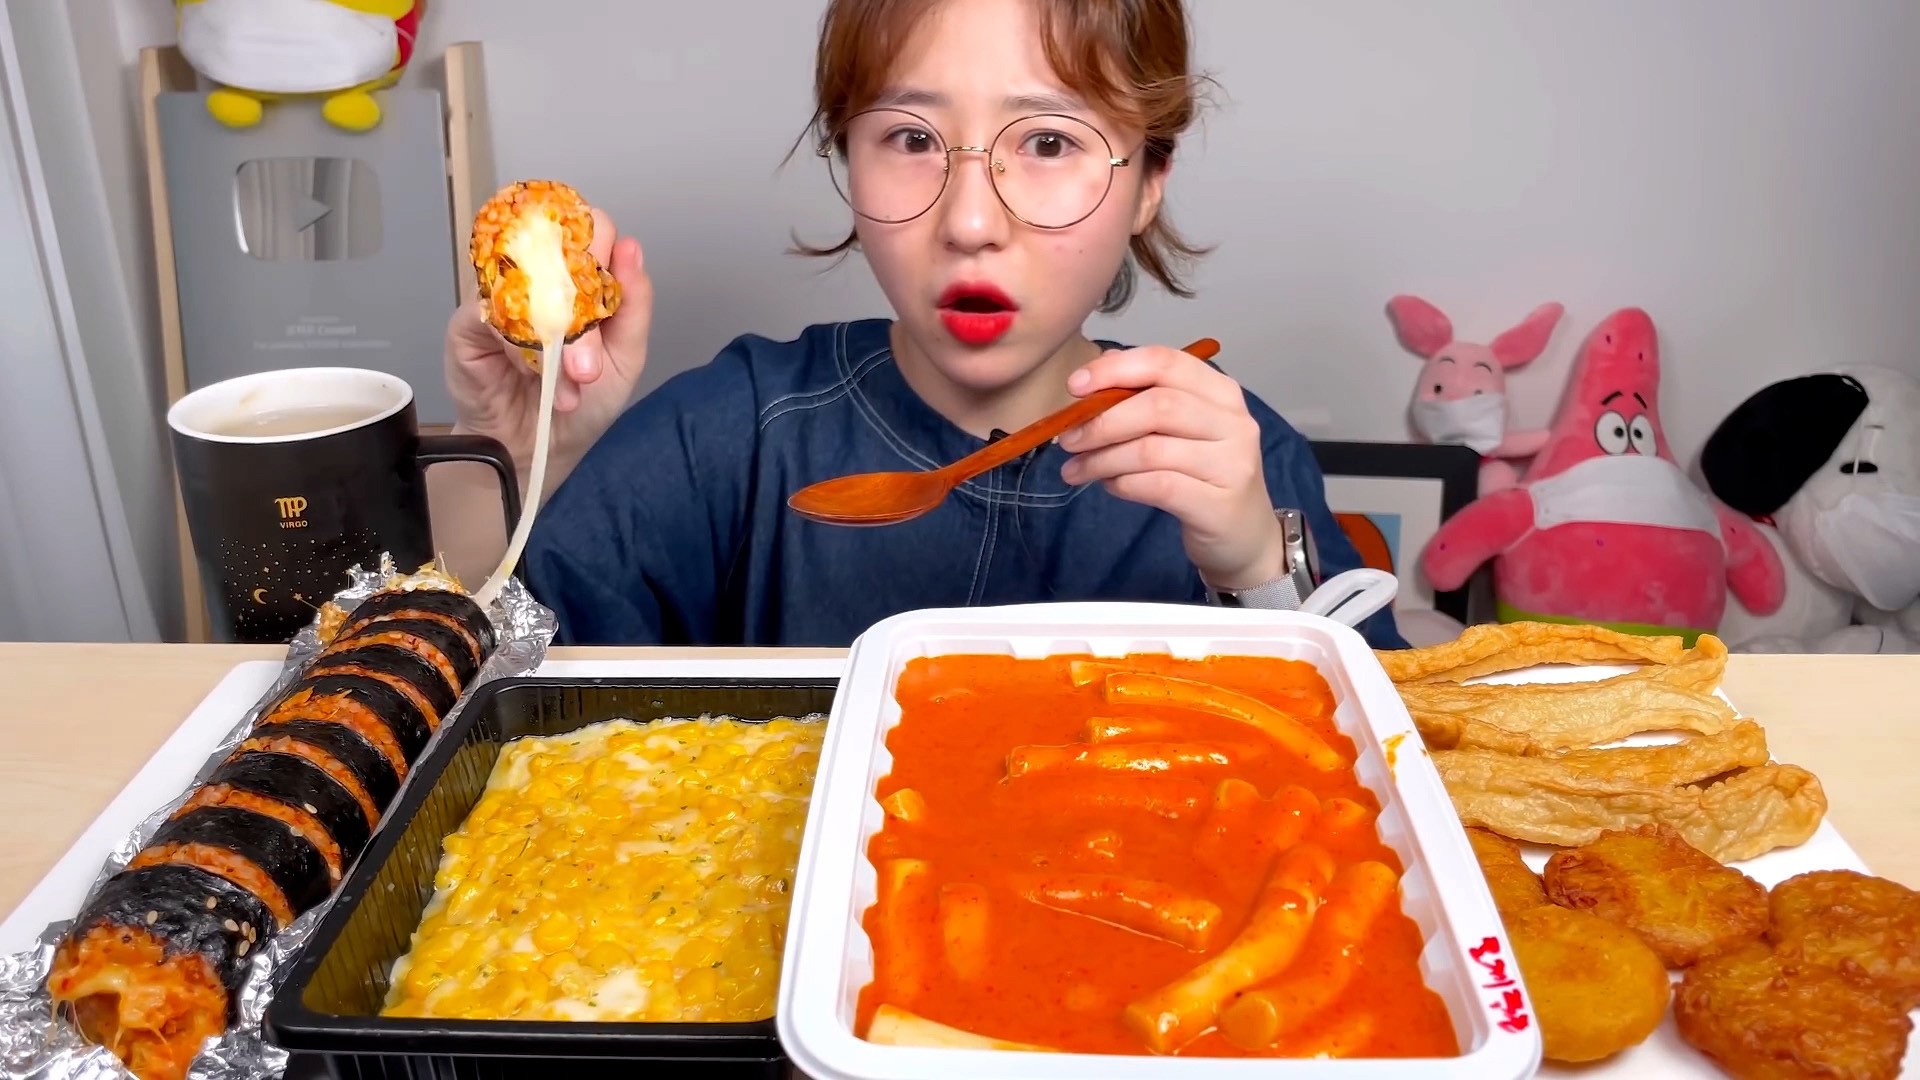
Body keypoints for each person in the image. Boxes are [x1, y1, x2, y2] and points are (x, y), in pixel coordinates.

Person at [427, 0, 1408, 650]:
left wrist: (1262, 576)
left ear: (1149, 181)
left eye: (1050, 142)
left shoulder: (1238, 459)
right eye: (910, 138)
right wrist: (520, 460)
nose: (971, 223)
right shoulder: (731, 433)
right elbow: (481, 702)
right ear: (844, 155)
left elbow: (1389, 780)